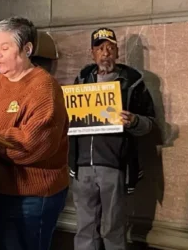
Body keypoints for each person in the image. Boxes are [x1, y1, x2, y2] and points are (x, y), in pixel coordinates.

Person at [0, 16, 69, 250]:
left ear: (27, 49)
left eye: (5, 47)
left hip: (30, 196)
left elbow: (33, 145)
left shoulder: (44, 88)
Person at [68, 28, 156, 250]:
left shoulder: (133, 82)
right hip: (82, 167)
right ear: (92, 53)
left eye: (110, 48)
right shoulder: (80, 80)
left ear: (117, 52)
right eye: (100, 48)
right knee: (84, 229)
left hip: (114, 165)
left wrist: (134, 120)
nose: (105, 53)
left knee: (113, 228)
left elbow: (151, 124)